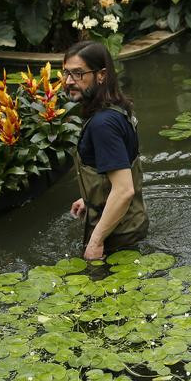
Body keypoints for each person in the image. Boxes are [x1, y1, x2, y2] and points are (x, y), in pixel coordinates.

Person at [64, 41, 148, 259]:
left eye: (78, 74)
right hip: (130, 227)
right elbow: (119, 168)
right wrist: (90, 199)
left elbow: (123, 190)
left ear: (101, 75)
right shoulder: (117, 110)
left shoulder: (103, 124)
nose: (68, 81)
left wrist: (95, 241)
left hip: (116, 239)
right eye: (66, 73)